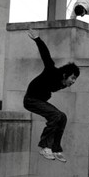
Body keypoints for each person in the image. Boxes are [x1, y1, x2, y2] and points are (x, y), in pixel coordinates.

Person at [23, 29, 80, 162]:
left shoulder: (63, 82)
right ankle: (44, 146)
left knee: (63, 117)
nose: (73, 82)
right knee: (55, 115)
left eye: (75, 80)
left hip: (39, 100)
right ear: (65, 75)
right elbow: (45, 55)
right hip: (31, 99)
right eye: (72, 78)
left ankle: (56, 148)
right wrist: (37, 39)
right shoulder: (52, 71)